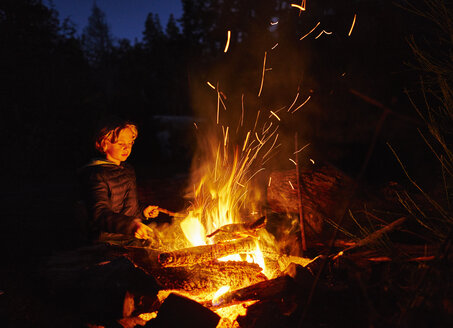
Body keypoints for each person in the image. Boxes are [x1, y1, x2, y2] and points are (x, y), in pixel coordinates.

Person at [78, 119, 161, 246]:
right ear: (104, 144)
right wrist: (130, 226)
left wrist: (142, 211)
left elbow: (128, 207)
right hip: (107, 242)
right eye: (120, 143)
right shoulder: (96, 174)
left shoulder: (127, 170)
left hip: (129, 238)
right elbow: (100, 214)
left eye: (130, 143)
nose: (127, 148)